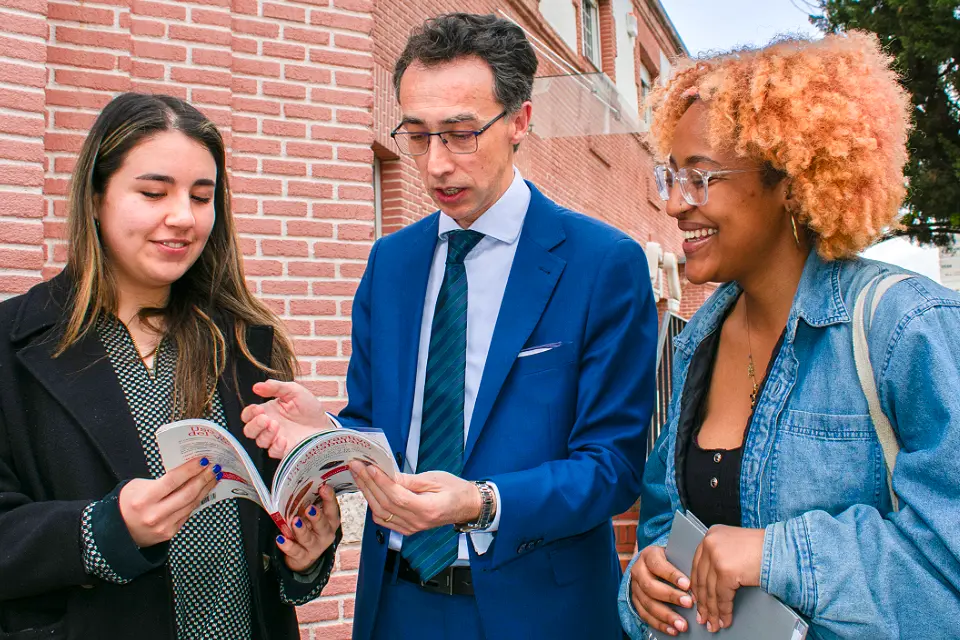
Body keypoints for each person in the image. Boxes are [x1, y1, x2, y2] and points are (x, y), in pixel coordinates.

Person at [241, 13, 658, 640]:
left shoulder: (603, 263)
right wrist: (323, 431)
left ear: (519, 120)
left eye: (461, 134)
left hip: (543, 616)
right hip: (398, 607)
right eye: (417, 135)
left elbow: (611, 467)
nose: (434, 165)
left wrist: (480, 501)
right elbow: (377, 430)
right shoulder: (391, 263)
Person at [618, 32, 960, 639]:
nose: (674, 205)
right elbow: (664, 521)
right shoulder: (698, 338)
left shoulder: (905, 326)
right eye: (670, 177)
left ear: (791, 181)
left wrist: (776, 555)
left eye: (701, 178)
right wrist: (646, 579)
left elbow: (947, 564)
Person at [0, 92, 341, 640]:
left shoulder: (249, 342)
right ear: (95, 197)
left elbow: (276, 524)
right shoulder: (12, 346)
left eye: (202, 197)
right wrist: (103, 530)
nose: (182, 217)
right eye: (153, 192)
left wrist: (305, 553)